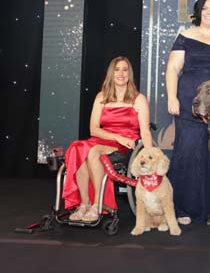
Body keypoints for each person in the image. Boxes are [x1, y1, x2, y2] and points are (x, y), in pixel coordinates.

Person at [166, 0, 210, 225]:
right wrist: (172, 98)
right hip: (189, 102)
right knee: (188, 151)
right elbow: (173, 69)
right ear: (198, 11)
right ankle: (183, 208)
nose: (209, 12)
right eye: (205, 8)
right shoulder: (186, 36)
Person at [62, 56, 153, 221]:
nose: (121, 73)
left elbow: (145, 131)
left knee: (94, 151)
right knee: (76, 147)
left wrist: (149, 156)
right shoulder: (101, 97)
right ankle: (84, 203)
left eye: (125, 70)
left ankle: (98, 205)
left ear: (129, 74)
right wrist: (117, 137)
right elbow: (94, 130)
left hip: (126, 144)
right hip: (106, 138)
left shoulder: (139, 99)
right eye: (117, 69)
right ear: (111, 73)